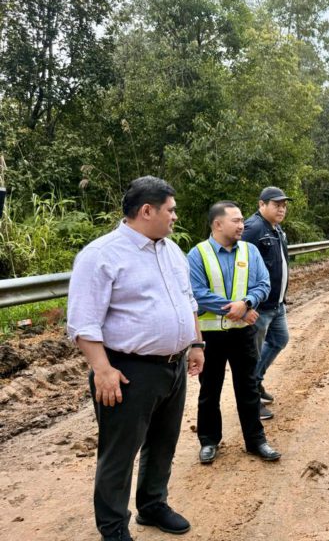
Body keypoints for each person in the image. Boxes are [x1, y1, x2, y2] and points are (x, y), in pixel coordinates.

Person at [67, 176, 205, 541]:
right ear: (147, 211)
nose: (175, 217)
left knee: (163, 443)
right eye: (170, 210)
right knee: (119, 454)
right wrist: (103, 370)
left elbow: (188, 302)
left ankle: (152, 504)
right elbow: (83, 322)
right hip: (127, 372)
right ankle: (113, 528)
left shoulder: (171, 251)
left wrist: (196, 344)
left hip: (172, 367)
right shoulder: (101, 255)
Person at [188, 201, 281, 464]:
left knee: (248, 388)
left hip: (242, 334)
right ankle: (209, 441)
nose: (242, 225)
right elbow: (196, 293)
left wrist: (248, 303)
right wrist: (237, 309)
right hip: (210, 336)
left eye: (242, 220)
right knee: (209, 391)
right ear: (217, 224)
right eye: (236, 221)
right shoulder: (198, 254)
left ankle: (256, 441)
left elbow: (264, 284)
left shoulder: (250, 252)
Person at [242, 186, 292, 420]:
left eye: (283, 205)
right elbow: (240, 264)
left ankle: (257, 382)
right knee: (252, 354)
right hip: (259, 307)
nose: (281, 209)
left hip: (277, 304)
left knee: (279, 339)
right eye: (276, 204)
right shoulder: (253, 229)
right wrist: (247, 303)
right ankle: (251, 400)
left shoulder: (275, 228)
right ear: (261, 205)